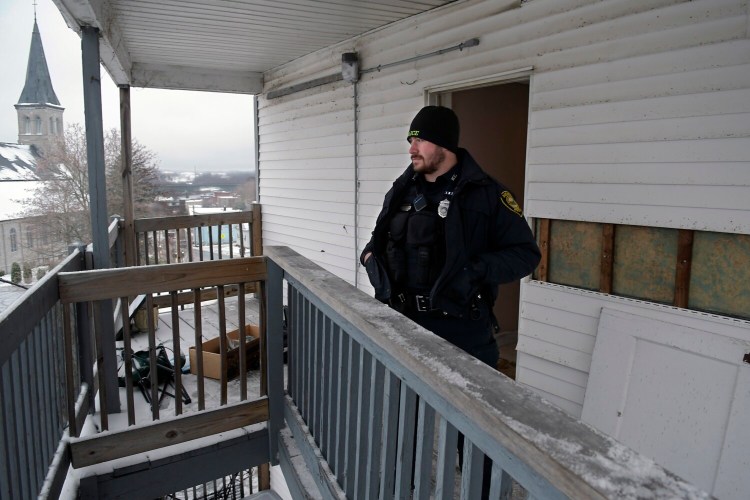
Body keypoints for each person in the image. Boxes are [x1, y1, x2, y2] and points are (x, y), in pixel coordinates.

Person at [361, 105, 541, 368]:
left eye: (420, 140)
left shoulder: (487, 194)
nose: (412, 149)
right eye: (411, 141)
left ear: (444, 144)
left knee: (461, 407)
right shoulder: (401, 191)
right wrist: (369, 259)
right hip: (401, 324)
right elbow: (378, 241)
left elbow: (526, 255)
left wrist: (473, 270)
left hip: (461, 333)